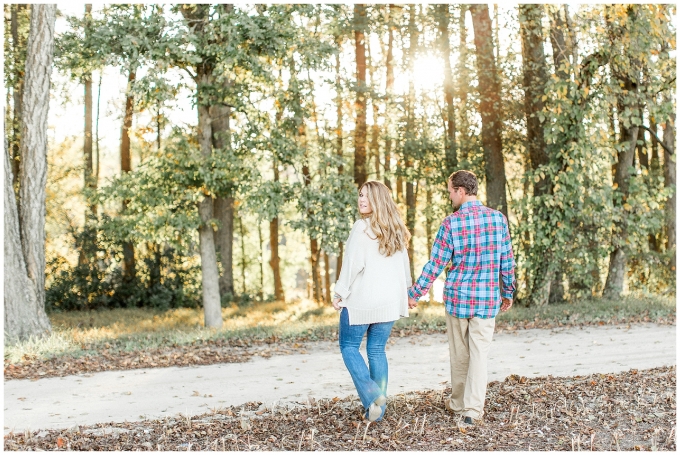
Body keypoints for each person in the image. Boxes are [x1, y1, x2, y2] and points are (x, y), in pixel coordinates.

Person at [408, 170, 516, 426]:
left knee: (459, 354)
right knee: (479, 354)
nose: (449, 196)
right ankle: (472, 411)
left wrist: (415, 293)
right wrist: (508, 291)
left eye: (450, 191)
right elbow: (507, 261)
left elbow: (436, 264)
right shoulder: (498, 219)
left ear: (461, 191)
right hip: (487, 299)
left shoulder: (451, 223)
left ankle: (458, 403)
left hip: (458, 299)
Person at [332, 180, 414, 422]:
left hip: (362, 301)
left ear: (379, 200)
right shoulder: (397, 228)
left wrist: (340, 292)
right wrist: (407, 292)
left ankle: (372, 395)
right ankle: (377, 412)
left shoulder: (362, 227)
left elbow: (352, 265)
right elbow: (404, 266)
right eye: (360, 194)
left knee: (348, 347)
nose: (361, 199)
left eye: (367, 196)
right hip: (388, 302)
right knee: (377, 350)